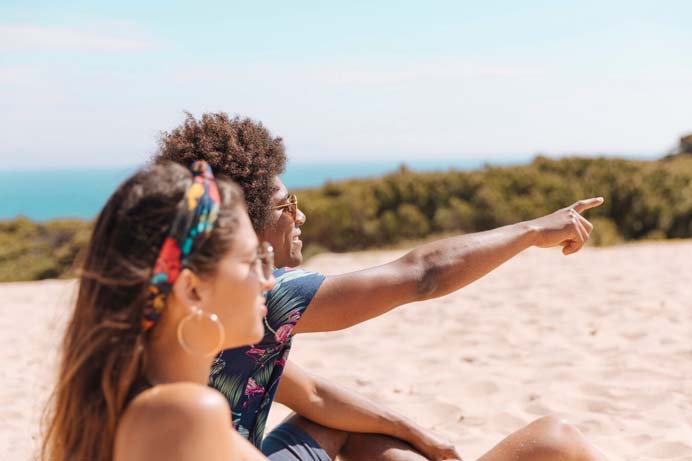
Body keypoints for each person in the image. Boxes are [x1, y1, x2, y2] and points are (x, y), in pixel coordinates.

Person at [155, 112, 607, 461]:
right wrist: (532, 231)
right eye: (285, 206)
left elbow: (311, 395)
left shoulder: (186, 310)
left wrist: (415, 431)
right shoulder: (267, 297)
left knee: (346, 423)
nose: (300, 216)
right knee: (555, 438)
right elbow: (423, 275)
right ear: (243, 223)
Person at [42, 161, 275, 461]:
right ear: (192, 290)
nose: (268, 280)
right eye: (249, 260)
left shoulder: (147, 403)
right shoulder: (184, 414)